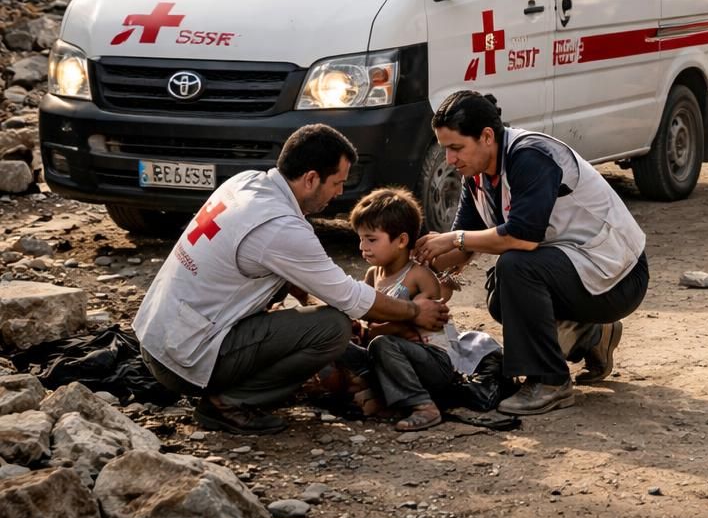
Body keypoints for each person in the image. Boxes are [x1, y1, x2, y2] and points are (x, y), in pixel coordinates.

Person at [133, 125, 450, 435]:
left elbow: (285, 272)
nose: (339, 192)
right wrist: (413, 311)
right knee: (333, 328)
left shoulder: (246, 183)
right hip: (183, 359)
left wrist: (307, 299)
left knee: (314, 321)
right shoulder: (280, 225)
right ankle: (230, 403)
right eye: (337, 183)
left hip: (157, 338)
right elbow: (352, 299)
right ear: (311, 179)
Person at [415, 91, 648, 416]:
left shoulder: (530, 156)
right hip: (580, 272)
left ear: (486, 137)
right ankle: (591, 334)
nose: (450, 159)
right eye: (445, 149)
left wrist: (455, 238)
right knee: (501, 295)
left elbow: (521, 238)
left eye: (456, 147)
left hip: (619, 277)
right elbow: (459, 250)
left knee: (516, 267)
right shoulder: (477, 175)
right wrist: (414, 265)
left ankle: (550, 382)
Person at [347, 188, 500, 432]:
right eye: (361, 238)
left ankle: (423, 406)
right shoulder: (372, 275)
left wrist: (376, 330)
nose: (362, 247)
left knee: (381, 345)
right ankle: (382, 396)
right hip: (397, 358)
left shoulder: (419, 276)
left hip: (434, 362)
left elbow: (420, 322)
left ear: (401, 241)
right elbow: (370, 317)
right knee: (341, 342)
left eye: (371, 239)